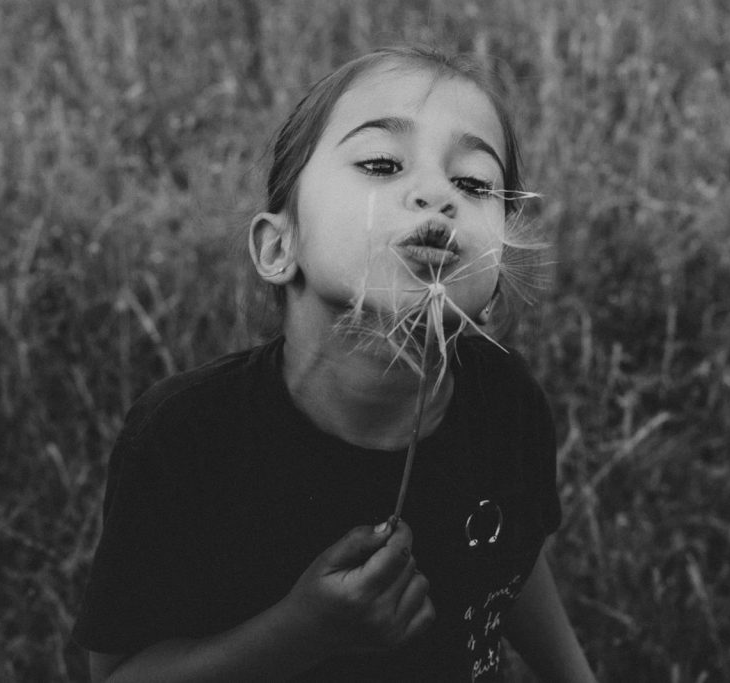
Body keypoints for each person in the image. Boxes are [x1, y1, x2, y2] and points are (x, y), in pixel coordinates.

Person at [73, 45, 598, 682]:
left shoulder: (506, 400)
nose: (437, 194)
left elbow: (510, 555)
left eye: (473, 183)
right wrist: (300, 633)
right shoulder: (184, 439)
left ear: (496, 275)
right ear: (278, 246)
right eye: (381, 163)